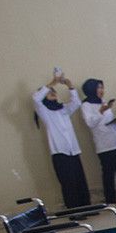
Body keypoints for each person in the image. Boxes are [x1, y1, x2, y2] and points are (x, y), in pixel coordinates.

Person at [32, 73, 90, 208]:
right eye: (50, 92)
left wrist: (69, 86)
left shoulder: (63, 109)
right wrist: (53, 82)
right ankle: (74, 210)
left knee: (80, 180)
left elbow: (76, 103)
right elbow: (36, 99)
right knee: (68, 182)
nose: (53, 93)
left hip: (73, 150)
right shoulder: (45, 111)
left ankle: (87, 206)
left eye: (54, 92)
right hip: (60, 152)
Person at [80, 79, 116, 206]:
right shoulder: (86, 105)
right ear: (91, 89)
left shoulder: (103, 102)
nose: (102, 90)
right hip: (104, 145)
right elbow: (90, 123)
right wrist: (101, 111)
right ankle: (110, 201)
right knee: (108, 174)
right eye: (99, 88)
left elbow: (108, 120)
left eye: (102, 87)